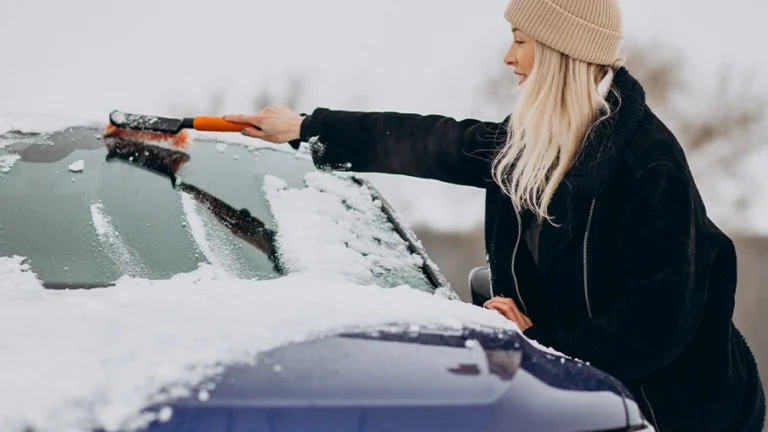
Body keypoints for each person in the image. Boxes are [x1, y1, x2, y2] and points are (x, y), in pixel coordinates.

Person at [224, 0, 765, 429]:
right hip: (578, 396)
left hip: (677, 412)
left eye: (521, 41)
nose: (508, 57)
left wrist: (541, 343)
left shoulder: (648, 164)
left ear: (559, 51)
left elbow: (654, 325)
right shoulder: (537, 142)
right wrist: (308, 127)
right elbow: (434, 141)